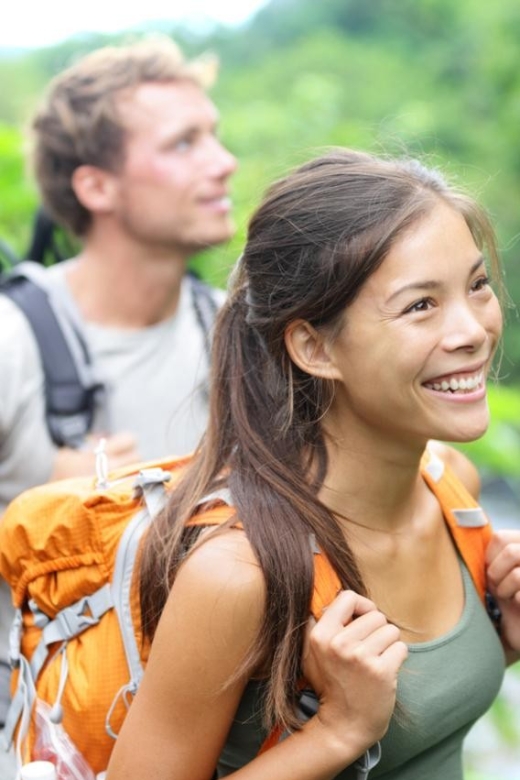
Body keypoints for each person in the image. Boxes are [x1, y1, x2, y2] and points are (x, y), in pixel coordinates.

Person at [106, 148, 520, 780]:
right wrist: (338, 730)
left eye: (476, 285)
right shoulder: (238, 576)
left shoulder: (448, 489)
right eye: (420, 306)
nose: (472, 329)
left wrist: (501, 640)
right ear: (313, 347)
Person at [0, 36, 237, 736]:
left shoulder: (234, 332)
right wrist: (52, 509)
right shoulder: (15, 341)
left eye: (215, 136)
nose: (223, 163)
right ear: (95, 187)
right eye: (183, 143)